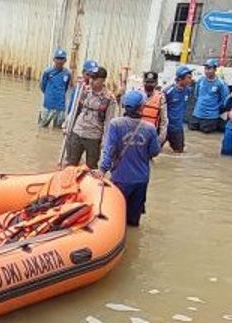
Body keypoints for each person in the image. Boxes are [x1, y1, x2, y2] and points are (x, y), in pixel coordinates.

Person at [98, 90, 161, 227]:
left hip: (120, 178)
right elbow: (155, 151)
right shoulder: (150, 128)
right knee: (133, 221)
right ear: (141, 108)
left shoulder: (116, 124)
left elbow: (109, 149)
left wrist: (102, 169)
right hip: (140, 180)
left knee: (115, 217)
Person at [62, 66, 117, 170]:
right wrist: (66, 125)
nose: (92, 81)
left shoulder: (109, 98)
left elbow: (109, 122)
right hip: (77, 132)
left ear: (103, 80)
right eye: (91, 78)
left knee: (91, 168)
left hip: (93, 136)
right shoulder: (84, 91)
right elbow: (74, 110)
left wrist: (106, 142)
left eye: (95, 79)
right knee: (70, 164)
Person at [190, 58, 229, 133]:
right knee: (192, 129)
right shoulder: (201, 80)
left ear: (215, 69)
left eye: (209, 69)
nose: (207, 71)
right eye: (205, 69)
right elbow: (196, 94)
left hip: (211, 115)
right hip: (197, 113)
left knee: (206, 131)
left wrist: (215, 108)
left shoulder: (220, 83)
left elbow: (225, 99)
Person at [162, 66, 196, 152]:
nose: (191, 79)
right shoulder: (168, 92)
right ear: (181, 79)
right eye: (188, 77)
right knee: (155, 151)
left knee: (179, 153)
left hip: (178, 129)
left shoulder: (188, 90)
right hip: (165, 127)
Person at [38, 49, 71, 129]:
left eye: (61, 59)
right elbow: (42, 86)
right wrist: (49, 95)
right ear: (54, 59)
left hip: (60, 105)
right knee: (42, 127)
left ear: (65, 60)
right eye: (57, 58)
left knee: (58, 129)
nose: (59, 61)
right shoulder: (47, 72)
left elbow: (66, 87)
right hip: (48, 104)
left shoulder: (67, 73)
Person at [138, 71, 168, 139]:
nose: (149, 84)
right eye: (147, 82)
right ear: (143, 82)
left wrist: (161, 137)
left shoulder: (161, 97)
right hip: (137, 133)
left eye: (151, 82)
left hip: (151, 134)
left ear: (156, 83)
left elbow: (164, 120)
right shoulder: (138, 94)